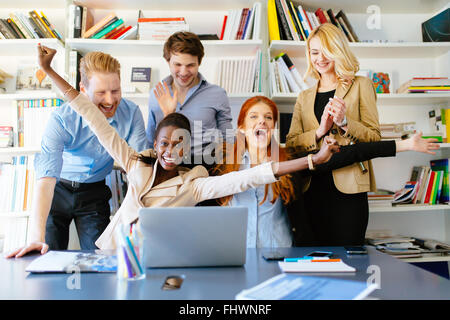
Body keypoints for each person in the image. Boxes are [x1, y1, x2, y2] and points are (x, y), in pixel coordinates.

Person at [11, 44, 343, 253]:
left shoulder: (195, 184)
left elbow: (253, 176)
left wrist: (311, 160)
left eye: (180, 145)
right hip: (115, 253)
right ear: (154, 144)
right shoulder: (134, 162)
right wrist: (50, 71)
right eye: (165, 143)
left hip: (156, 256)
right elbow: (88, 112)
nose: (171, 150)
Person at [212, 96, 439, 248]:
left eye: (268, 117)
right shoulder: (222, 166)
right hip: (236, 255)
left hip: (281, 255)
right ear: (241, 126)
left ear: (274, 127)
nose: (261, 121)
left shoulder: (292, 161)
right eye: (254, 116)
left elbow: (348, 154)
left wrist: (403, 145)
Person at [5, 50, 148, 258]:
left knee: (100, 258)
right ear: (82, 89)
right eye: (101, 92)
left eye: (115, 90)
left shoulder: (132, 113)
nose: (110, 100)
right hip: (57, 191)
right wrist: (36, 237)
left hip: (94, 193)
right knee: (46, 255)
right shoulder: (62, 119)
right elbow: (46, 179)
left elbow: (140, 166)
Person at [286, 23, 382, 246]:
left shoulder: (361, 85)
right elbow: (291, 144)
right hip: (311, 188)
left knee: (349, 261)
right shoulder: (304, 96)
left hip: (348, 191)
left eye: (326, 50)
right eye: (314, 52)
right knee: (314, 259)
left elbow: (375, 139)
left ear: (338, 50)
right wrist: (319, 132)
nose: (320, 58)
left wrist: (346, 123)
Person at [146, 31, 233, 167]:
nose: (184, 72)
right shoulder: (156, 94)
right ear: (168, 61)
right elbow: (150, 139)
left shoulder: (217, 94)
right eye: (178, 65)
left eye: (190, 65)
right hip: (169, 163)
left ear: (199, 62)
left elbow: (228, 139)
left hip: (205, 164)